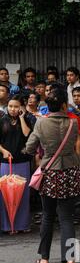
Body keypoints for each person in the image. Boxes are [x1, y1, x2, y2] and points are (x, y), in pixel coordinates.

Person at [24, 86, 80, 263]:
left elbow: (29, 146)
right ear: (64, 105)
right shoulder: (73, 123)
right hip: (69, 171)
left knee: (48, 215)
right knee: (67, 218)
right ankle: (70, 261)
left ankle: (44, 258)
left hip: (50, 172)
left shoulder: (41, 123)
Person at [0, 95, 33, 234]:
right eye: (11, 106)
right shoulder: (1, 120)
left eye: (16, 106)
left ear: (21, 107)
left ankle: (22, 224)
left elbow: (27, 134)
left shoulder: (26, 120)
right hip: (6, 162)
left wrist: (21, 117)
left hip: (22, 161)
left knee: (23, 194)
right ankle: (8, 226)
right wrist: (3, 151)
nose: (13, 109)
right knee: (6, 194)